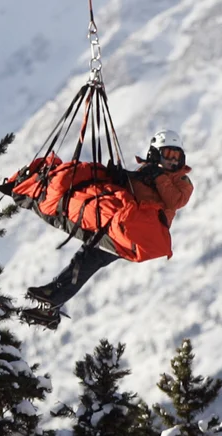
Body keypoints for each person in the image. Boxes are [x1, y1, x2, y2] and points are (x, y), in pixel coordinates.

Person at [23, 129, 194, 328]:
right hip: (125, 228)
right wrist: (121, 177)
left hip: (141, 234)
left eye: (177, 156)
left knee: (89, 257)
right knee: (86, 256)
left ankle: (53, 297)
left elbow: (176, 200)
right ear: (155, 154)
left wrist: (157, 176)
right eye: (169, 155)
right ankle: (52, 301)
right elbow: (132, 194)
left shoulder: (181, 180)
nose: (173, 161)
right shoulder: (145, 174)